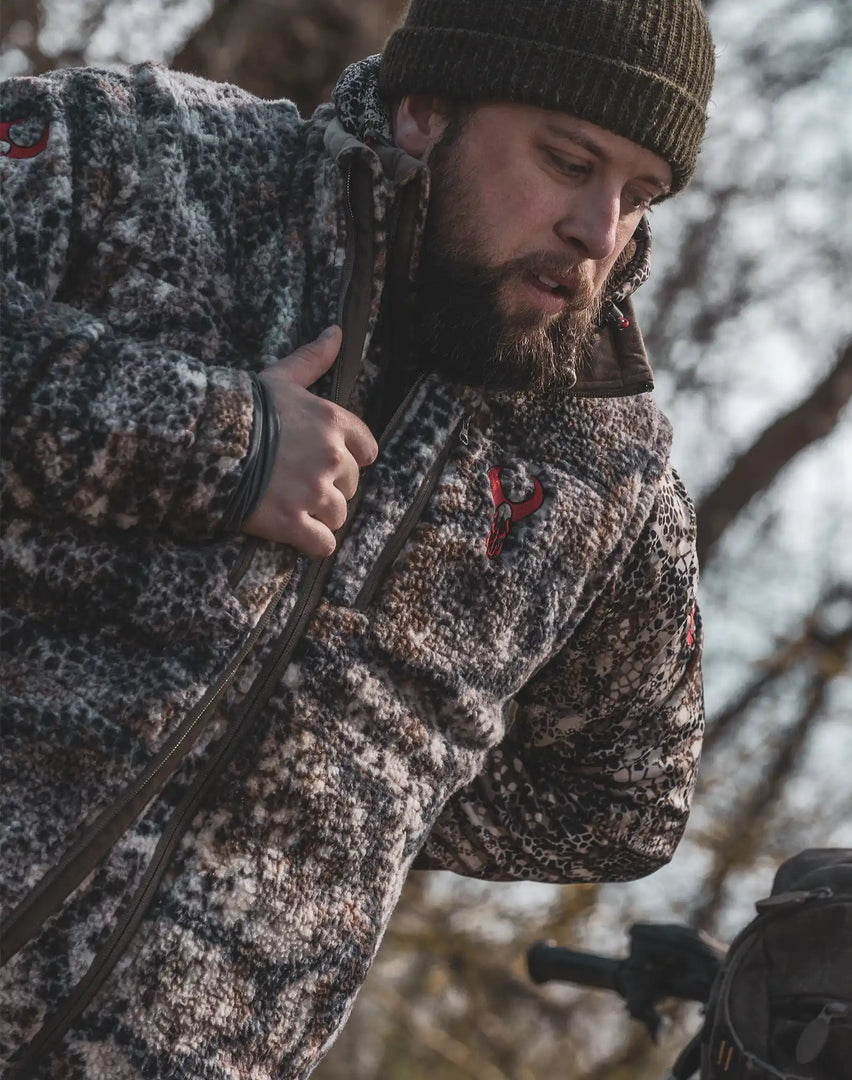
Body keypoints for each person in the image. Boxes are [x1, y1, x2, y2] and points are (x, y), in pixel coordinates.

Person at [0, 1, 714, 1075]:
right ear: (425, 111)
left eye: (641, 195)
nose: (599, 232)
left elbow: (627, 802)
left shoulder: (605, 468)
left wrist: (353, 783)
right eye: (570, 161)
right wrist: (205, 439)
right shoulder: (143, 157)